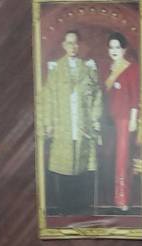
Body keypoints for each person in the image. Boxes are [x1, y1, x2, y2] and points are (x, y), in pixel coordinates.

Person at [37, 28, 100, 215]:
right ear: (64, 45)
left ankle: (80, 207)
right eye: (69, 43)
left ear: (79, 45)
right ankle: (65, 207)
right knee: (64, 164)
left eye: (75, 43)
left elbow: (96, 96)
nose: (73, 46)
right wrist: (48, 123)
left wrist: (95, 119)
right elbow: (48, 98)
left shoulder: (88, 69)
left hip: (82, 124)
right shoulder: (56, 70)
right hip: (63, 124)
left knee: (81, 164)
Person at [99, 31, 140, 211]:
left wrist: (133, 119)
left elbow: (135, 96)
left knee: (122, 159)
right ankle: (109, 198)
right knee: (109, 157)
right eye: (111, 47)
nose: (114, 50)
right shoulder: (107, 68)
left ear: (124, 49)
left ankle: (122, 199)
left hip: (124, 119)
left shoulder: (131, 68)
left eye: (117, 47)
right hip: (108, 120)